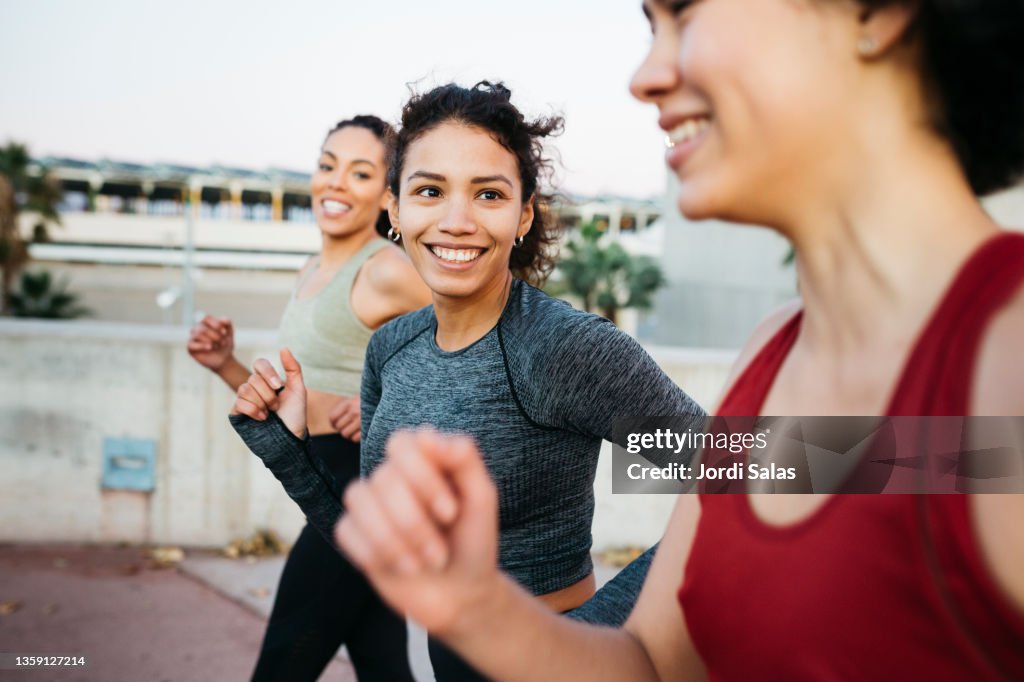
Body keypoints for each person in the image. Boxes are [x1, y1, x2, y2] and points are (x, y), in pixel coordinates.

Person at [331, 1, 1024, 680]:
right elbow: (654, 657)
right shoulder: (773, 348)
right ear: (394, 211)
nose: (645, 75)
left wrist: (963, 458)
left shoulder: (1005, 358)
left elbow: (712, 462)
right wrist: (478, 609)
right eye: (428, 191)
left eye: (685, 15)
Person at [228, 82, 706, 680]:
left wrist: (602, 633)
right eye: (430, 191)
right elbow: (389, 555)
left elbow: (765, 470)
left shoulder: (559, 349)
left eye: (488, 194)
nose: (456, 221)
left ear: (523, 214)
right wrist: (289, 447)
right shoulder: (391, 349)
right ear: (396, 210)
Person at [188, 114, 431, 681]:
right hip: (319, 468)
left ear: (386, 194)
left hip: (360, 483)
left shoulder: (385, 269)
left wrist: (390, 408)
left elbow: (472, 336)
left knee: (282, 664)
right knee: (382, 661)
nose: (336, 183)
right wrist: (226, 364)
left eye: (361, 172)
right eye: (328, 166)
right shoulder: (311, 269)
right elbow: (296, 396)